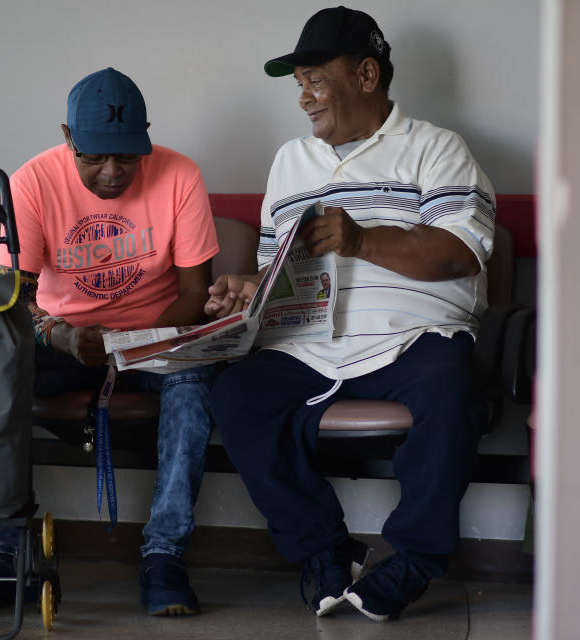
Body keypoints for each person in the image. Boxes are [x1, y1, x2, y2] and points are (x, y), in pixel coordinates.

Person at [206, 7, 495, 622]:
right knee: (235, 395)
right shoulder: (290, 163)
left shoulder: (437, 150)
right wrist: (244, 289)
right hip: (307, 345)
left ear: (366, 74)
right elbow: (272, 267)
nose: (305, 98)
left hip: (413, 339)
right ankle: (324, 550)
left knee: (452, 388)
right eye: (299, 85)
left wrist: (362, 240)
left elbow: (462, 253)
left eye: (315, 80)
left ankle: (413, 560)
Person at [0, 67, 219, 617]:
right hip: (62, 336)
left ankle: (164, 558)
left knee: (191, 381)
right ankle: (5, 557)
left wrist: (135, 341)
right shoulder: (32, 182)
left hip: (153, 337)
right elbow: (14, 298)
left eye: (127, 156)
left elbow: (196, 290)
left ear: (145, 136)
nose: (113, 173)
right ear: (68, 137)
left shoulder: (180, 174)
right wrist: (63, 336)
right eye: (94, 157)